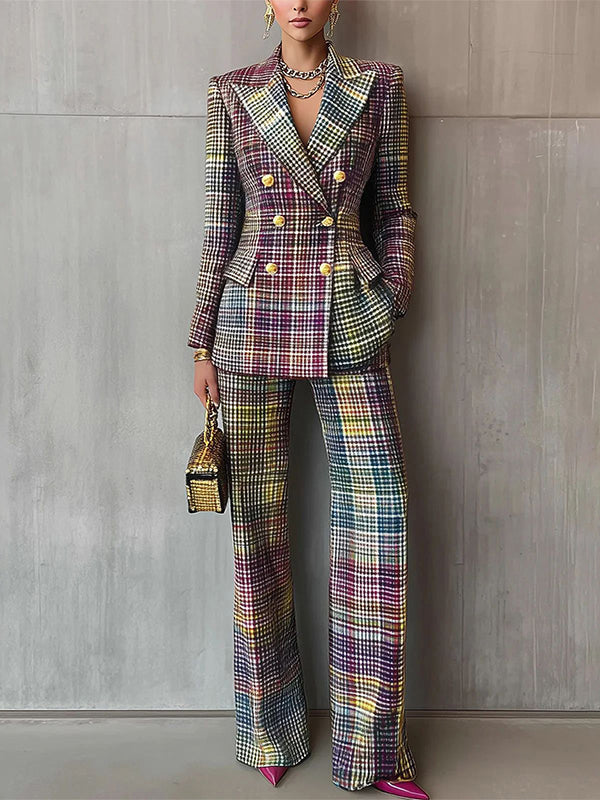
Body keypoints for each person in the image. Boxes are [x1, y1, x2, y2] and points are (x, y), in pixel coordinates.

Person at [187, 2, 427, 796]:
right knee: (256, 525)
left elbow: (394, 208)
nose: (298, 1)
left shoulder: (379, 85)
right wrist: (200, 340)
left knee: (380, 519)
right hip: (250, 320)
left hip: (349, 317)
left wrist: (391, 296)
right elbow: (221, 223)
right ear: (266, 3)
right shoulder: (232, 91)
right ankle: (269, 727)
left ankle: (372, 751)